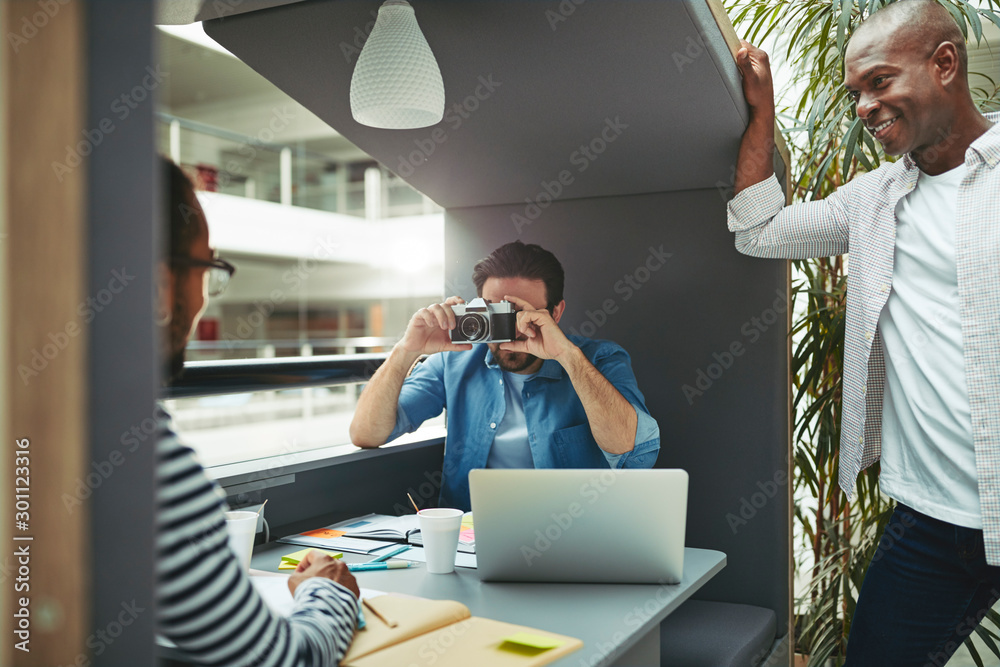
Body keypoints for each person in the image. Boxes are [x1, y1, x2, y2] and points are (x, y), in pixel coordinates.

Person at [729, 0, 999, 663]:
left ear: (943, 64)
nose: (863, 106)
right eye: (855, 93)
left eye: (879, 82)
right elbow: (758, 231)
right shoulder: (871, 202)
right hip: (929, 521)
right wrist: (762, 115)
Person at [156, 156, 360, 666]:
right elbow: (285, 661)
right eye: (207, 269)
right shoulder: (147, 465)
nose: (204, 298)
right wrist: (328, 592)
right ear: (162, 286)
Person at [350, 241, 660, 511]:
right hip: (473, 541)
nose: (506, 330)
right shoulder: (455, 362)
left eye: (518, 313)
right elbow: (367, 433)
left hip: (573, 540)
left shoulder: (599, 359)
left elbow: (633, 454)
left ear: (555, 313)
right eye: (494, 313)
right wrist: (406, 349)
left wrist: (566, 356)